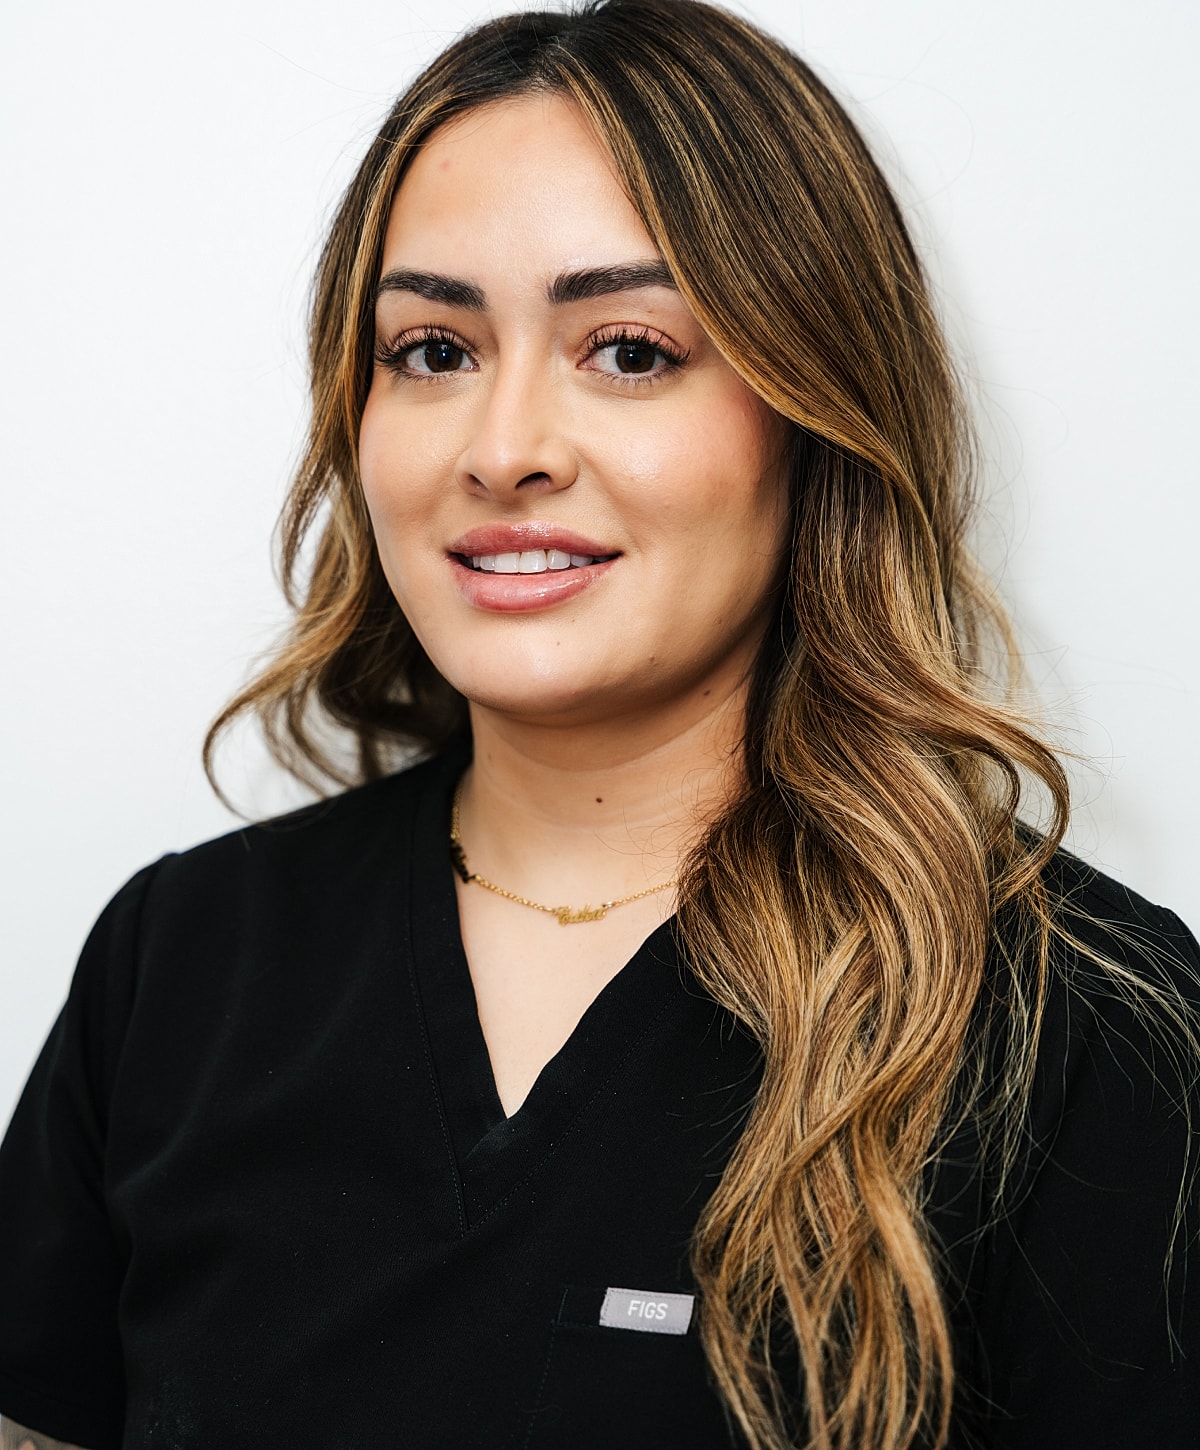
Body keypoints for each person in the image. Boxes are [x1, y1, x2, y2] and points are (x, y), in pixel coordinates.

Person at [1, 1, 1196, 1446]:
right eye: (432, 350)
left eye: (629, 349)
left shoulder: (1076, 1022)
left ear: (815, 409)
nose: (504, 449)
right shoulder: (179, 965)